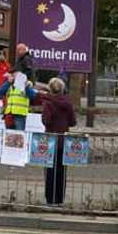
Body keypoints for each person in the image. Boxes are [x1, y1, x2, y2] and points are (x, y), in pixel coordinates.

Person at [41, 77, 76, 206]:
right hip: (64, 140)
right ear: (62, 89)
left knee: (50, 171)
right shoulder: (68, 103)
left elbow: (46, 121)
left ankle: (50, 199)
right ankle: (60, 199)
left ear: (50, 88)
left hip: (50, 141)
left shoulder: (48, 103)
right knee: (61, 171)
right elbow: (73, 122)